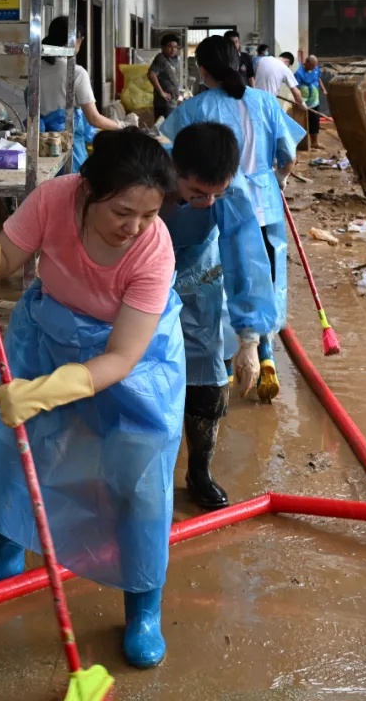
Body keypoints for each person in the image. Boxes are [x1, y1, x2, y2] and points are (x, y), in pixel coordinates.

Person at [0, 128, 183, 670]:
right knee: (17, 448)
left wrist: (51, 391)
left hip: (133, 358)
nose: (136, 227)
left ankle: (144, 605)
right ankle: (3, 557)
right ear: (89, 190)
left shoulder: (154, 247)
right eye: (124, 212)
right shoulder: (54, 199)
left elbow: (122, 358)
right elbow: (6, 257)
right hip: (48, 332)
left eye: (149, 213)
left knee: (138, 476)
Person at [163, 36, 305, 401]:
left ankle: (225, 363)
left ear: (203, 70)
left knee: (216, 282)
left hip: (212, 205)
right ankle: (264, 354)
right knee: (262, 277)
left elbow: (171, 157)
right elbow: (288, 155)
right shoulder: (265, 104)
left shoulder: (193, 109)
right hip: (264, 203)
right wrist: (280, 181)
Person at [162, 122, 277, 509]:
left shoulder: (232, 193)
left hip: (198, 277)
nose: (208, 202)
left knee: (207, 382)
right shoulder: (145, 173)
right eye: (196, 193)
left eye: (217, 193)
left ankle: (199, 471)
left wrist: (249, 341)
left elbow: (247, 261)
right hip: (137, 273)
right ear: (174, 170)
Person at [38, 15, 123, 172]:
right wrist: (122, 126)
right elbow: (94, 119)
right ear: (75, 40)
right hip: (69, 150)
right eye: (81, 39)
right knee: (70, 190)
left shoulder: (35, 68)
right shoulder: (75, 72)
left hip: (41, 148)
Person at [294, 54, 326, 150]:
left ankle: (314, 142)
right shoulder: (299, 73)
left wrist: (323, 89)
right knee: (302, 124)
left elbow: (318, 79)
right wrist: (298, 101)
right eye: (312, 65)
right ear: (306, 63)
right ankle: (300, 144)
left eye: (315, 65)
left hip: (315, 102)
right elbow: (295, 88)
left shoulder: (316, 69)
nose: (313, 67)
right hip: (304, 103)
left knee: (315, 122)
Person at [148, 34, 181, 121]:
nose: (173, 49)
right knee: (164, 129)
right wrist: (161, 92)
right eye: (169, 46)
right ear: (162, 47)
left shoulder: (171, 60)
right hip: (164, 104)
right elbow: (151, 74)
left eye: (175, 47)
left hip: (171, 102)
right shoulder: (160, 58)